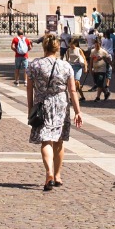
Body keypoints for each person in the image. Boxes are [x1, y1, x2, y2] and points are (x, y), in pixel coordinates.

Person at [25, 32, 83, 191]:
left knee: (46, 139)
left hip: (42, 104)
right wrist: (78, 111)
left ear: (44, 47)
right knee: (59, 140)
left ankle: (49, 172)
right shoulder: (66, 66)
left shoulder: (34, 65)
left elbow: (29, 89)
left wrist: (30, 108)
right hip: (60, 104)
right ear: (57, 48)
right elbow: (72, 90)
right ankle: (57, 175)